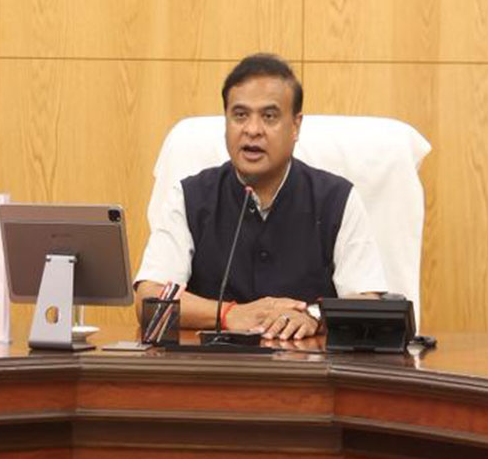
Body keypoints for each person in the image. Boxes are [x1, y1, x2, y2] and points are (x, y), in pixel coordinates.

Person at [134, 54, 386, 340]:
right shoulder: (190, 197)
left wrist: (314, 316)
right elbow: (149, 300)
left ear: (296, 126)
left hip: (306, 374)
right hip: (210, 374)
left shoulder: (336, 199)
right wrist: (228, 314)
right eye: (240, 115)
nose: (252, 130)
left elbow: (367, 302)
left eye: (269, 116)